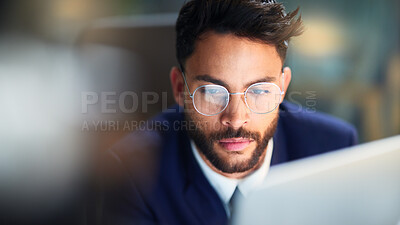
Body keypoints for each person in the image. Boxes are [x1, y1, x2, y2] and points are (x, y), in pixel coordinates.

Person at [102, 0, 358, 225]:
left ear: (282, 88)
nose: (235, 118)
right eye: (213, 92)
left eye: (259, 90)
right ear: (180, 89)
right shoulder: (131, 174)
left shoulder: (333, 150)